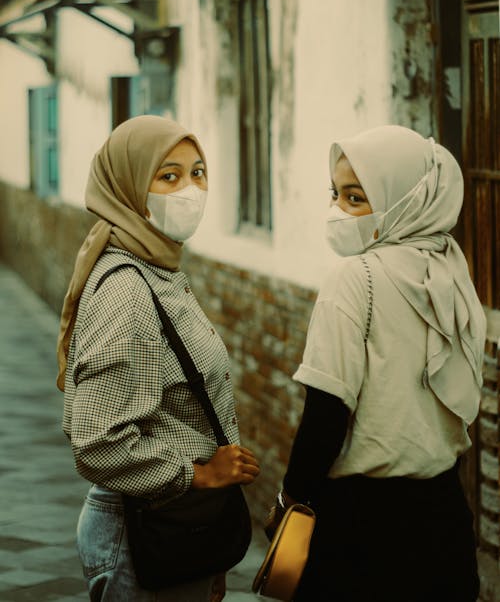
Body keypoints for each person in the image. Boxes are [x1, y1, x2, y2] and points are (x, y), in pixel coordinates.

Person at [266, 125, 486, 602]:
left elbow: (327, 411)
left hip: (362, 526)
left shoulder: (355, 277)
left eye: (356, 198)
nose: (338, 211)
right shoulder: (450, 269)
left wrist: (291, 499)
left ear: (402, 199)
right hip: (445, 519)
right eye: (336, 194)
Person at [56, 114, 259, 602]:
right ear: (127, 186)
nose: (190, 189)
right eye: (168, 175)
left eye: (198, 173)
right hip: (144, 530)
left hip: (177, 525)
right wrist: (198, 475)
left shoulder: (158, 266)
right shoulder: (128, 289)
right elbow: (98, 440)